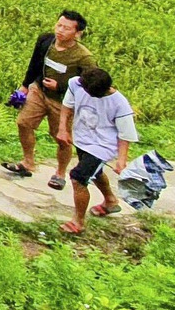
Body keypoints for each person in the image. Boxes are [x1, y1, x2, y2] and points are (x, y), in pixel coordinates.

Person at [4, 10, 92, 189]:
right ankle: (28, 162)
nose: (60, 30)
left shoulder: (84, 57)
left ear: (77, 33)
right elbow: (35, 63)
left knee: (62, 138)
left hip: (63, 101)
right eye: (59, 25)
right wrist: (25, 85)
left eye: (66, 28)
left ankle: (60, 173)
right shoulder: (46, 40)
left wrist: (60, 87)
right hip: (39, 90)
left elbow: (90, 84)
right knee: (23, 123)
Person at [56, 67, 138, 234]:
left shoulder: (120, 104)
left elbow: (125, 135)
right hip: (82, 139)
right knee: (96, 172)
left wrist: (121, 160)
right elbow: (67, 106)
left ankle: (78, 221)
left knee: (78, 178)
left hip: (102, 146)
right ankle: (110, 201)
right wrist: (63, 128)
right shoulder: (76, 84)